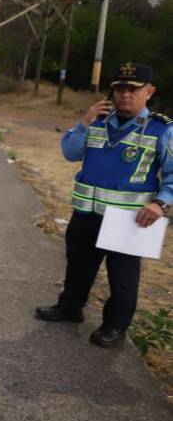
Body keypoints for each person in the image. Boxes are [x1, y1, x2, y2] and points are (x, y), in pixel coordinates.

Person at [35, 62, 173, 348]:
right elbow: (70, 153)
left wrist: (161, 204)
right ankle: (70, 308)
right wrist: (83, 122)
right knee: (78, 268)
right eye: (119, 89)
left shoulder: (161, 129)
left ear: (149, 92)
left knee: (123, 279)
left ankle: (114, 326)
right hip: (87, 213)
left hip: (128, 220)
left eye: (133, 90)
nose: (125, 95)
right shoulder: (97, 121)